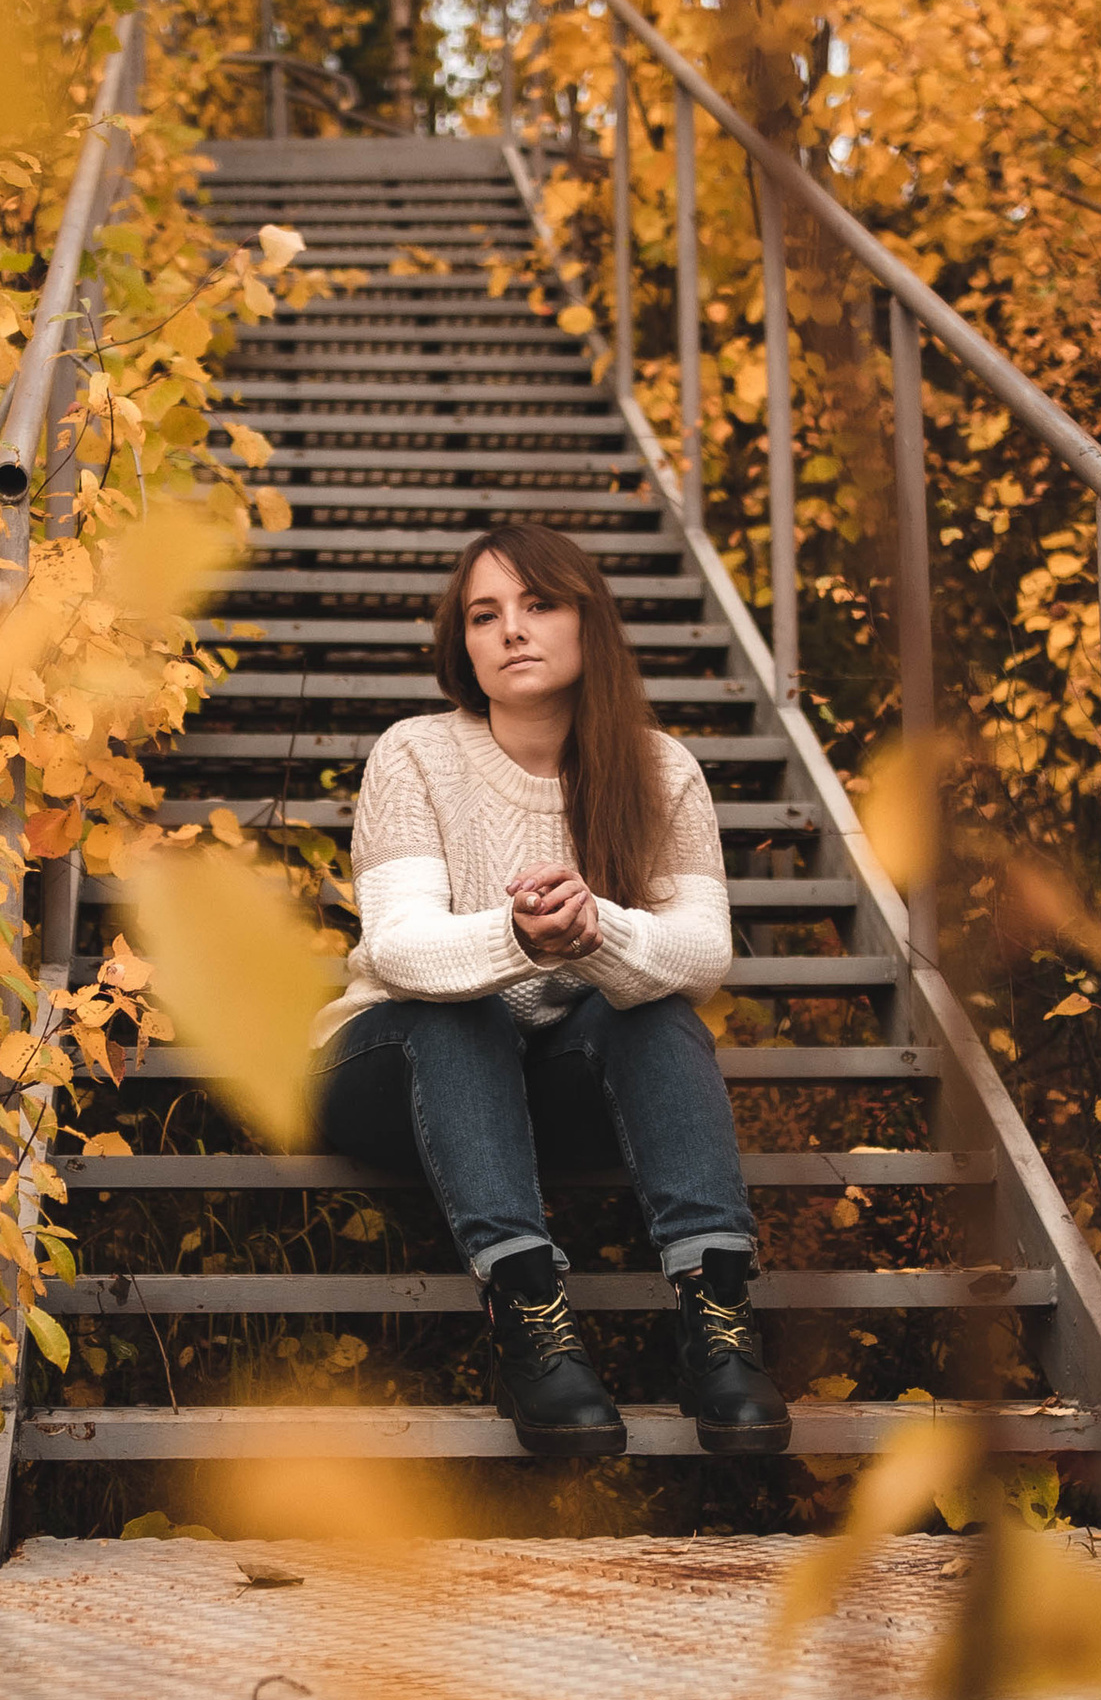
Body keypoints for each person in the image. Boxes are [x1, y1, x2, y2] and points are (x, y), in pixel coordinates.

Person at [310, 519, 792, 1459]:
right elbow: (402, 948)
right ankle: (532, 1318)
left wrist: (596, 927)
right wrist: (520, 937)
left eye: (538, 604)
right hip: (391, 1077)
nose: (511, 631)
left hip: (547, 1090)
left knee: (656, 1013)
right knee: (457, 1014)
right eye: (484, 615)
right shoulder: (416, 753)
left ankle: (718, 1322)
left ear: (588, 623)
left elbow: (703, 951)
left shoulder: (661, 770)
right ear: (464, 645)